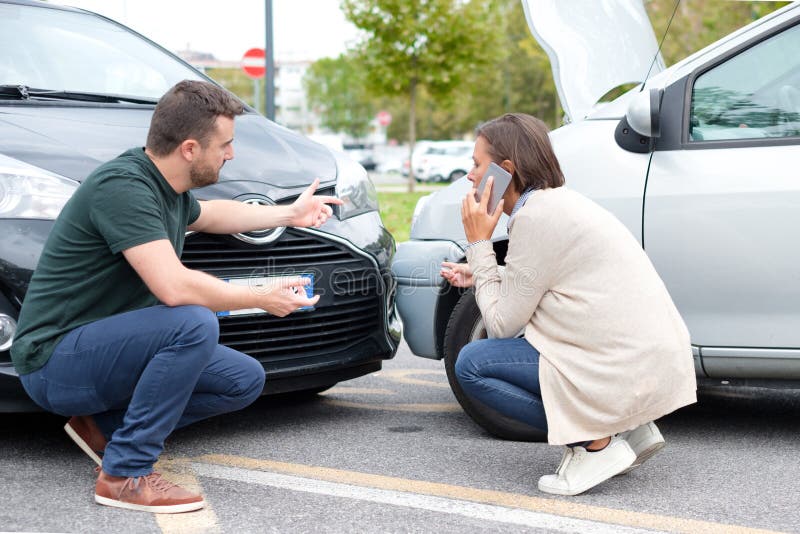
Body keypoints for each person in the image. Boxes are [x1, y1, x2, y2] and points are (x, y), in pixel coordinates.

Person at [11, 80, 342, 513]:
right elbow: (175, 287)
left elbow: (211, 215)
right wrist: (257, 293)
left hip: (99, 352)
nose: (231, 153)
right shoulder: (124, 187)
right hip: (54, 360)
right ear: (189, 148)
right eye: (225, 144)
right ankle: (125, 474)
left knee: (242, 380)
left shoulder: (167, 189)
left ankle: (104, 428)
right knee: (192, 321)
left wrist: (288, 213)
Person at [440, 113, 696, 496]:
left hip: (621, 365)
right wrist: (479, 274)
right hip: (643, 358)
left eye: (476, 164)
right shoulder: (555, 205)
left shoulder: (535, 218)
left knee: (472, 364)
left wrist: (478, 245)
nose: (469, 176)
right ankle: (628, 427)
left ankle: (595, 444)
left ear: (505, 170)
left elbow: (501, 323)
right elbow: (544, 281)